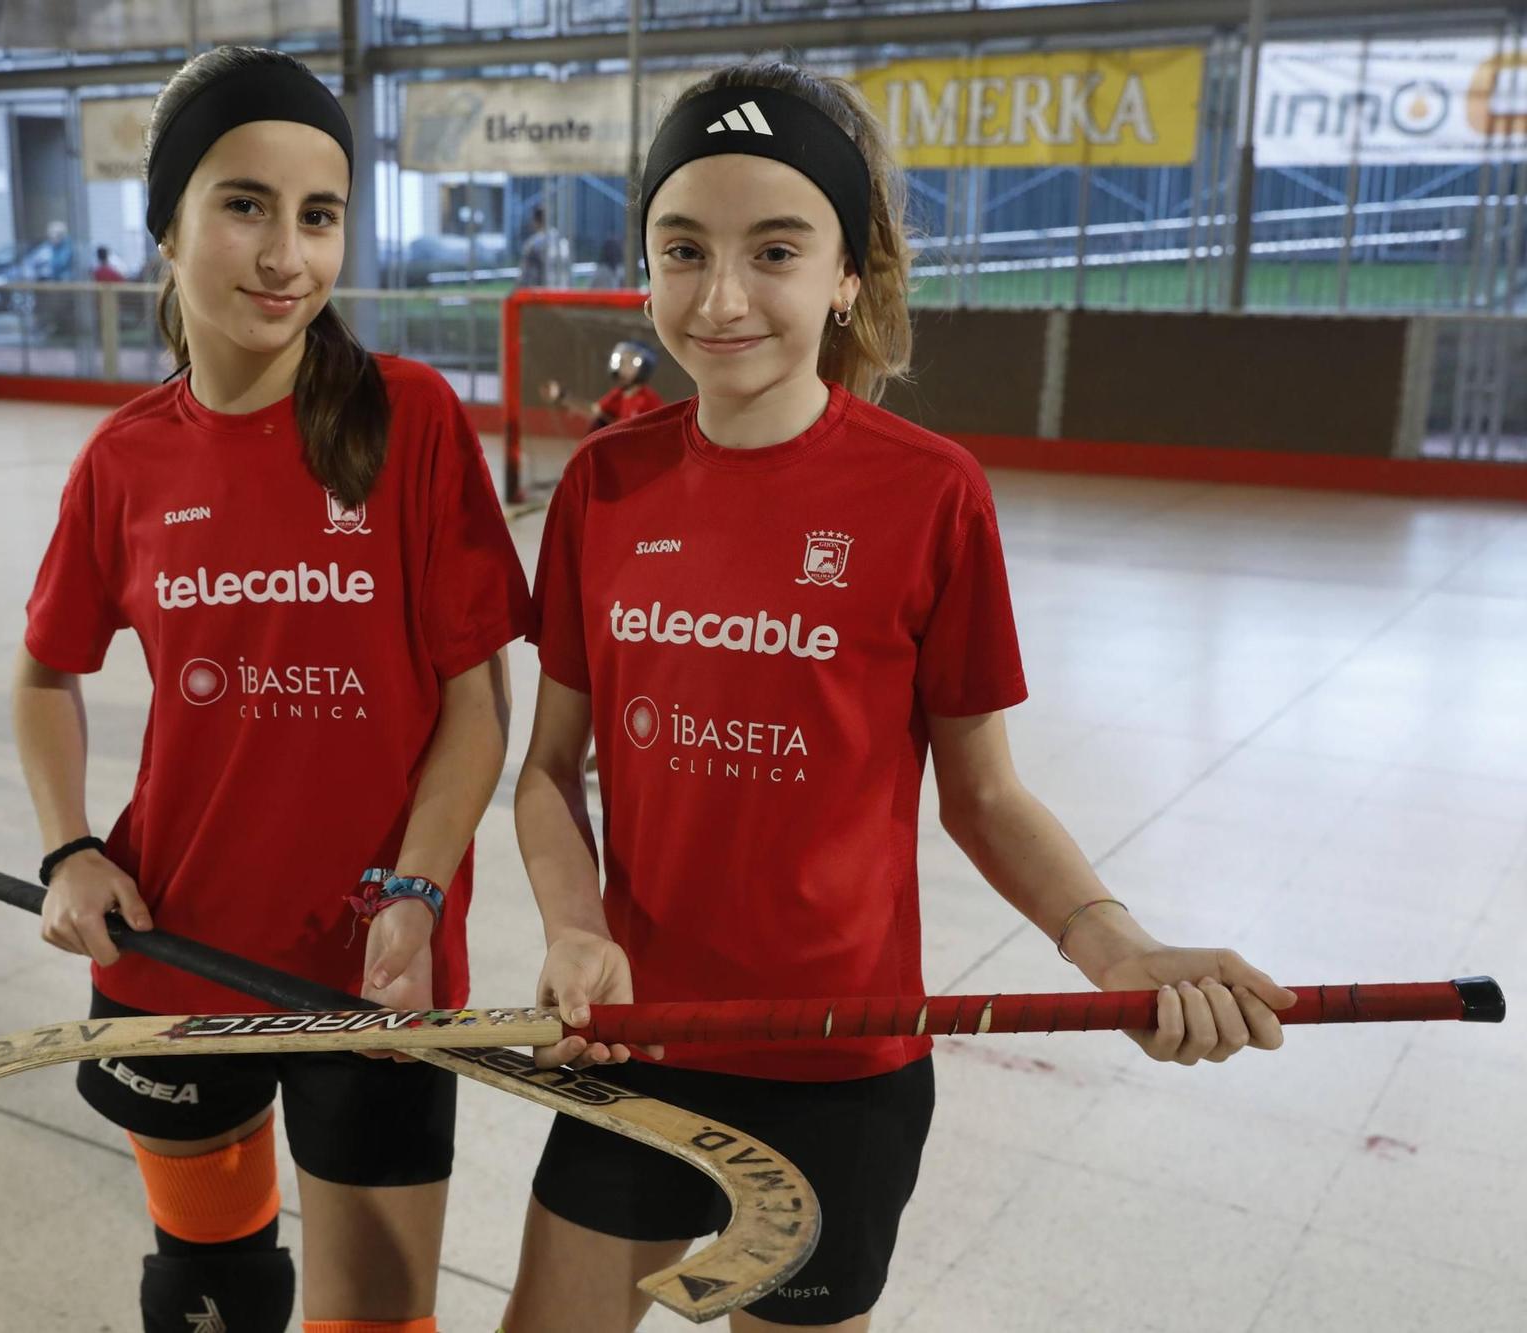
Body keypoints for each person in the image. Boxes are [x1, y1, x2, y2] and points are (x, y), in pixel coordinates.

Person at [502, 61, 1298, 1333]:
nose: (720, 296)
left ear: (847, 273)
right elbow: (546, 769)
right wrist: (569, 922)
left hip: (840, 1061)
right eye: (681, 249)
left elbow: (982, 794)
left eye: (773, 249)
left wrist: (1115, 950)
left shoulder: (928, 494)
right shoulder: (601, 487)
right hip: (633, 1044)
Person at [12, 45, 532, 1333]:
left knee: (373, 1317)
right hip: (172, 949)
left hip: (376, 968)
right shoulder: (124, 461)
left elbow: (478, 705)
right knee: (211, 1289)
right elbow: (44, 672)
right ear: (167, 227)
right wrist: (69, 846)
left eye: (318, 216)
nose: (284, 255)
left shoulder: (408, 421)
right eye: (243, 205)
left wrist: (415, 887)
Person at [541, 339, 665, 434]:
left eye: (631, 362)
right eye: (622, 360)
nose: (623, 366)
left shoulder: (648, 400)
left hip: (638, 457)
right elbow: (594, 411)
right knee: (599, 423)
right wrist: (563, 396)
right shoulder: (619, 395)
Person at [518, 205, 568, 288]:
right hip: (563, 292)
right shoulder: (563, 242)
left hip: (542, 294)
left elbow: (525, 276)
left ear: (535, 221)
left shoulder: (533, 244)